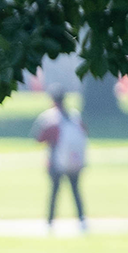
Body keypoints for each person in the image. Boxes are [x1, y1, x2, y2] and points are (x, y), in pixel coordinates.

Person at [32, 89, 89, 230]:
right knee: (75, 191)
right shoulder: (74, 116)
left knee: (54, 192)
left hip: (56, 160)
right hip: (75, 160)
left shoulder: (50, 118)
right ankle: (82, 220)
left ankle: (50, 222)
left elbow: (39, 138)